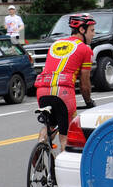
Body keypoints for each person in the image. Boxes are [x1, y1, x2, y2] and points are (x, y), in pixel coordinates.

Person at [34, 13, 95, 151]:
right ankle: (63, 167)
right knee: (65, 134)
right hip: (63, 93)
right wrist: (89, 101)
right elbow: (84, 83)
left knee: (49, 126)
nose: (94, 34)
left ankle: (40, 146)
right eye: (92, 30)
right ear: (82, 30)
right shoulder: (85, 49)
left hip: (42, 90)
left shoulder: (56, 44)